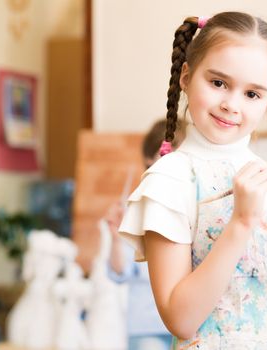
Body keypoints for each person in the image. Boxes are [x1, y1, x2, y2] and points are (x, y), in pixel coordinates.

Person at [119, 12, 267, 349]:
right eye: (218, 83)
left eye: (252, 94)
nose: (231, 104)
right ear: (186, 77)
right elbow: (181, 320)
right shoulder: (169, 182)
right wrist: (241, 222)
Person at [104, 119, 185, 350]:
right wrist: (114, 235)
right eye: (167, 156)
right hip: (146, 328)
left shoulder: (194, 209)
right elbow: (119, 272)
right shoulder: (135, 209)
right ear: (149, 159)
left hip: (190, 324)